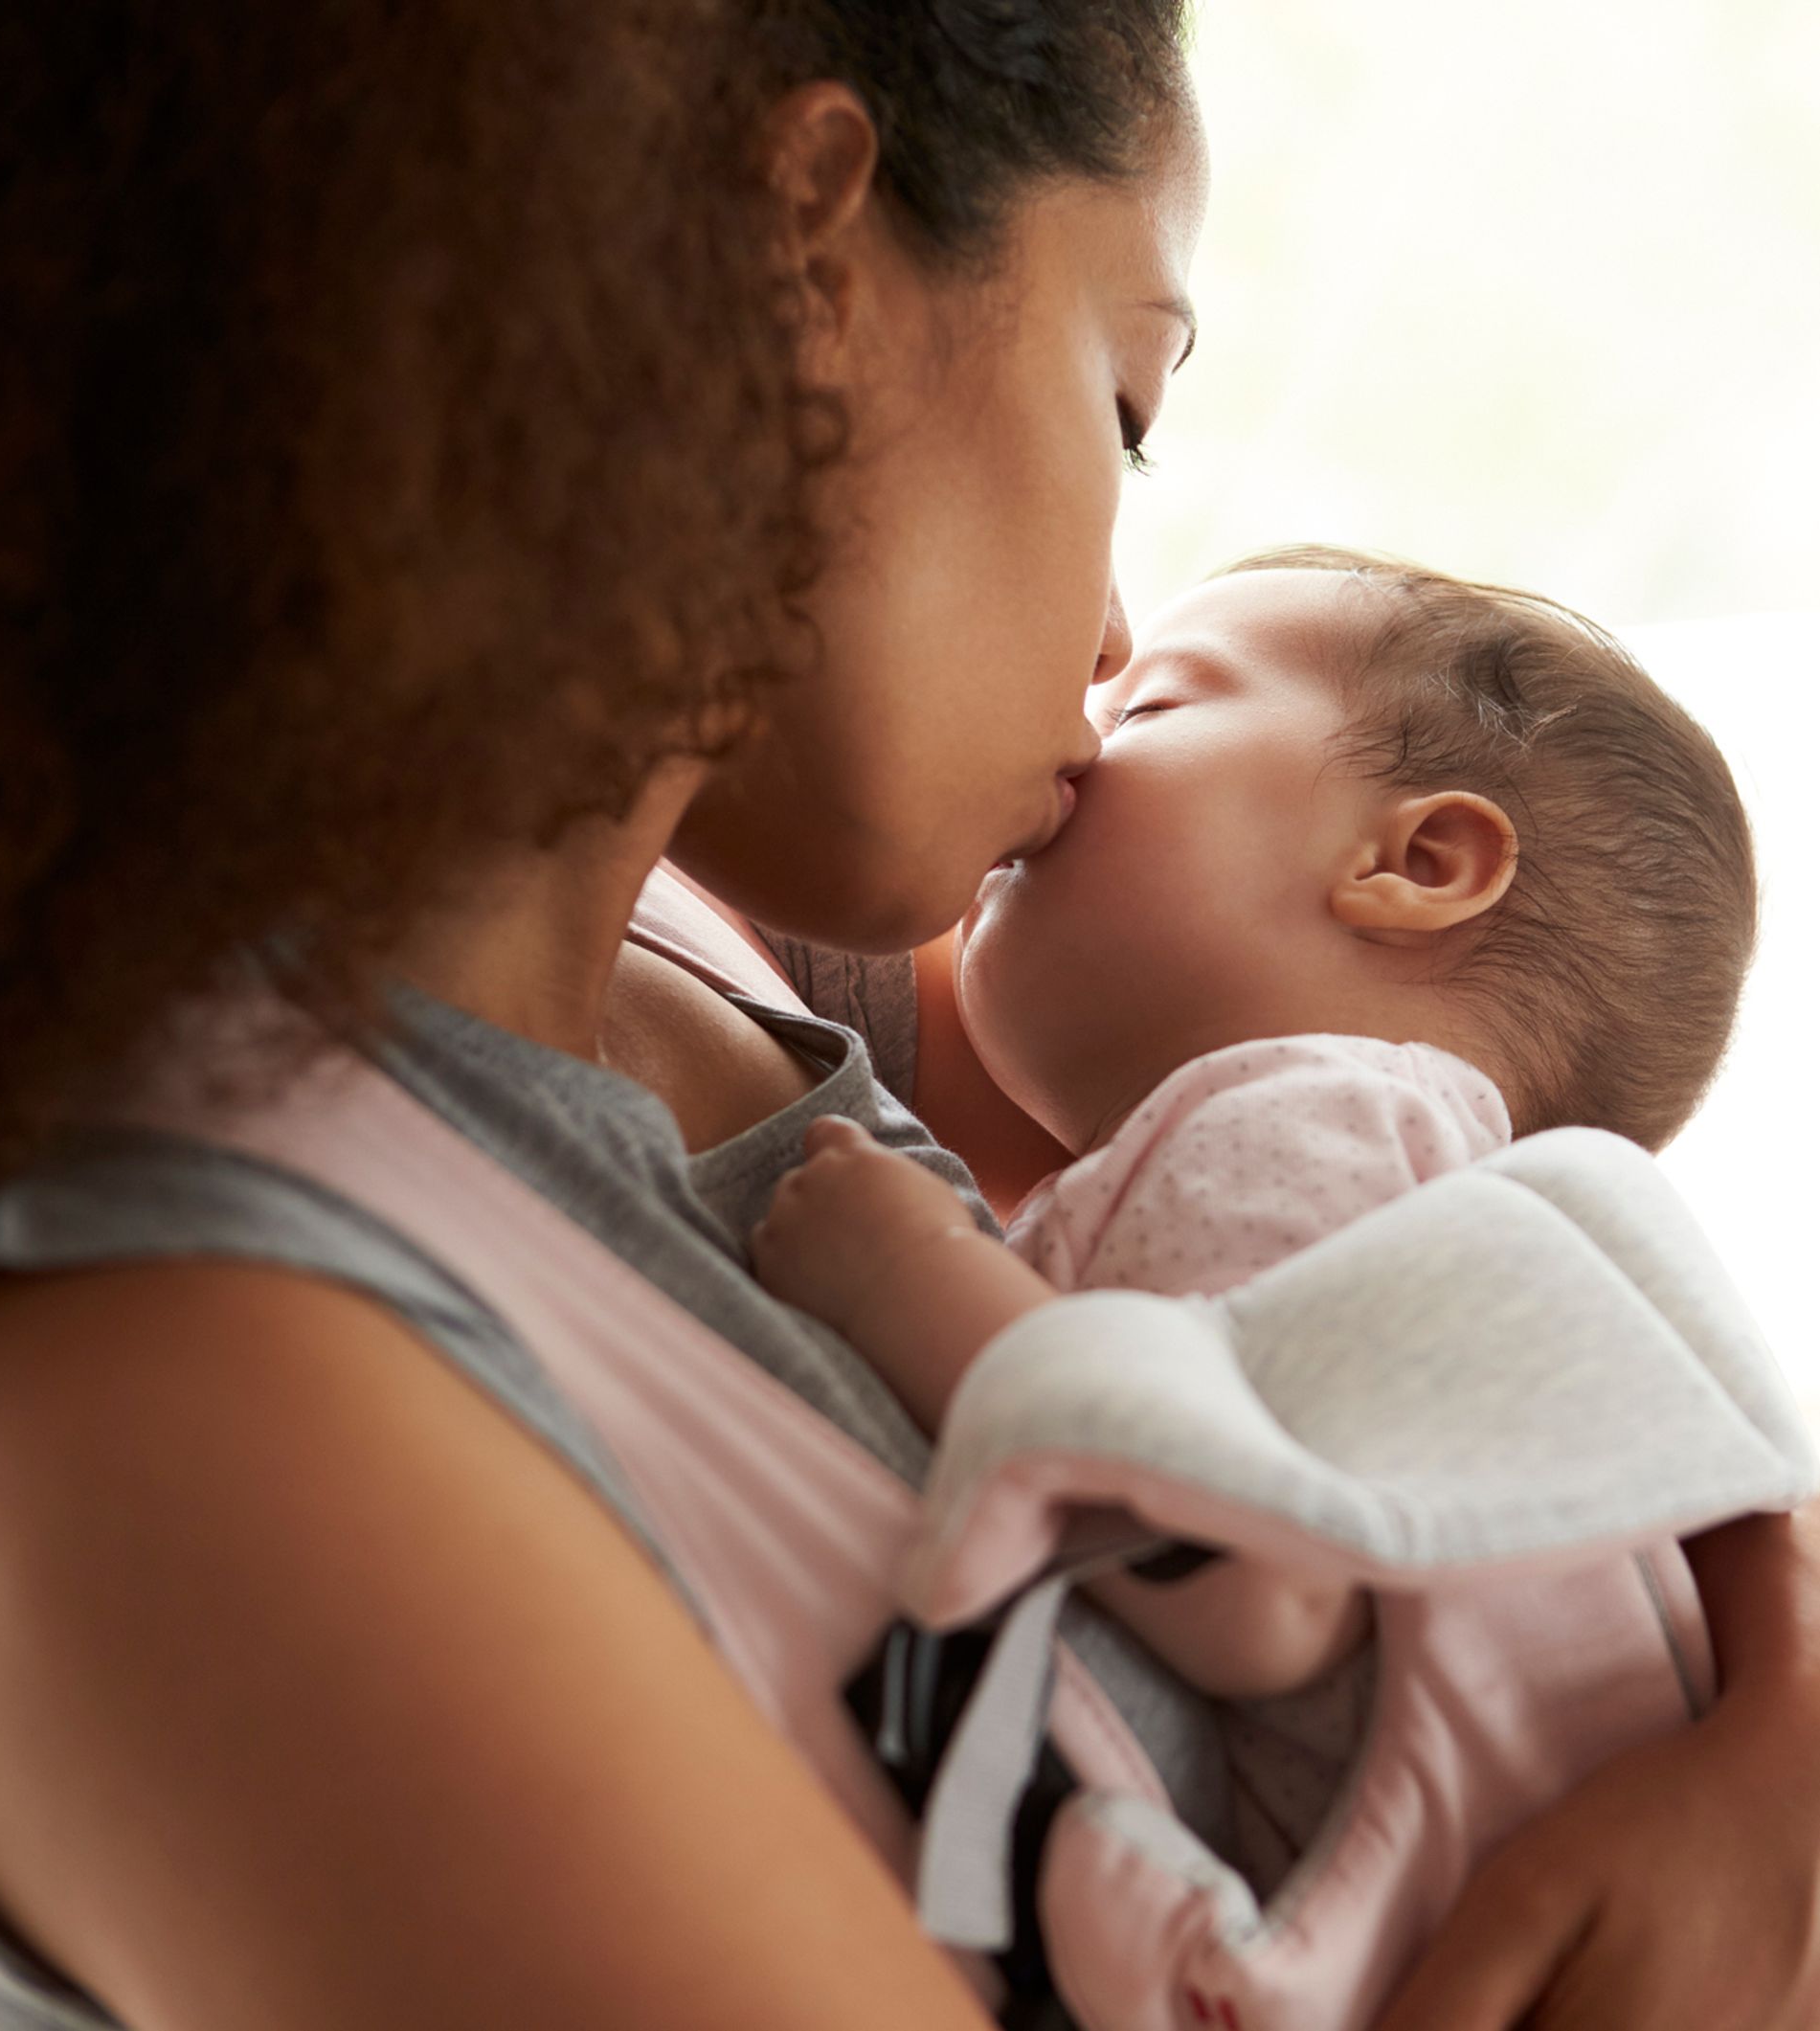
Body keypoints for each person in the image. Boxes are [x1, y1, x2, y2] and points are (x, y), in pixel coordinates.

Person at [0, 10, 1817, 2031]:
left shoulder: (696, 968)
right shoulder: (152, 1379)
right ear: (798, 276)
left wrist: (1773, 1716)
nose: (1118, 632)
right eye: (1121, 403)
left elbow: (1444, 1324)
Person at [752, 543, 1762, 1703]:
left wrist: (908, 1277)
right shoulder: (1348, 1177)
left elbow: (1256, 1588)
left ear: (1418, 862)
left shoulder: (1317, 1120)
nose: (1075, 737)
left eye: (1154, 707)